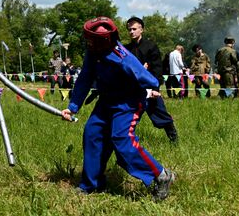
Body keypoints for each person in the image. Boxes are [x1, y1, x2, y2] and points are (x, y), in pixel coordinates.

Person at [61, 16, 175, 201]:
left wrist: (151, 91)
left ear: (103, 40)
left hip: (128, 103)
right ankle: (92, 183)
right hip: (106, 101)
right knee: (92, 134)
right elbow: (85, 78)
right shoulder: (93, 52)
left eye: (91, 39)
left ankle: (161, 175)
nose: (88, 42)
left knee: (122, 139)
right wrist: (72, 107)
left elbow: (150, 79)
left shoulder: (123, 58)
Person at [124, 17, 178, 142]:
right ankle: (127, 145)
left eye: (134, 29)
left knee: (161, 115)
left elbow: (157, 69)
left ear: (141, 30)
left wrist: (155, 88)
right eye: (129, 29)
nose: (131, 31)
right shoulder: (126, 49)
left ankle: (174, 140)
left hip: (149, 89)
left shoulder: (151, 47)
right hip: (132, 90)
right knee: (128, 119)